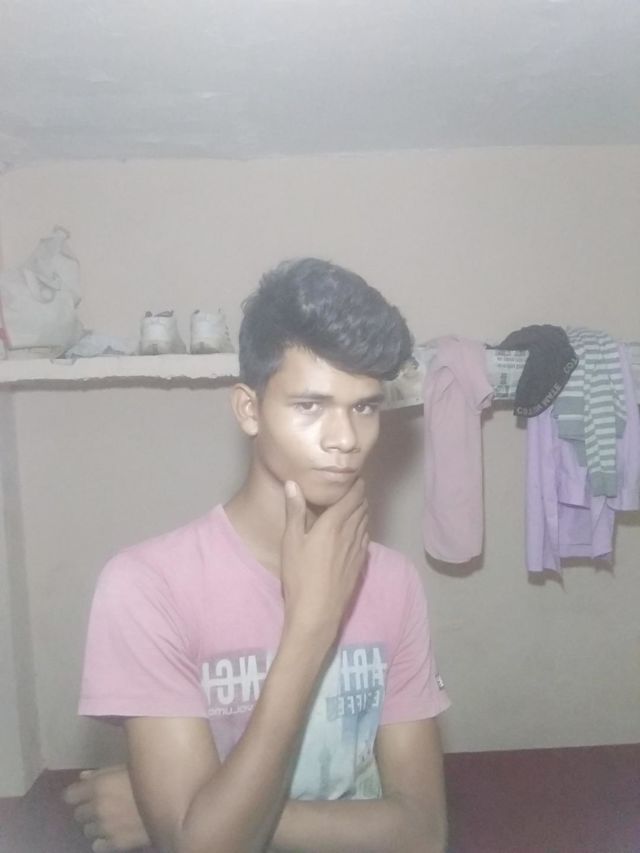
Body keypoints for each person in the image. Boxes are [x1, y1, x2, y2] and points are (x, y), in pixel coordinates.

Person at [64, 258, 450, 853]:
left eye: (365, 407)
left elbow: (423, 835)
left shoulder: (394, 583)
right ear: (249, 409)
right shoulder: (147, 586)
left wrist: (185, 813)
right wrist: (311, 627)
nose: (345, 439)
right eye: (310, 405)